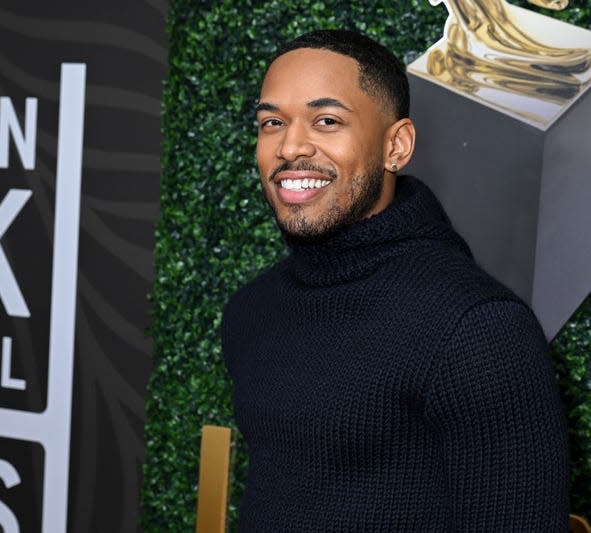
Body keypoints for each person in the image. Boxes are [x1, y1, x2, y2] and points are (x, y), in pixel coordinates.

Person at [221, 29, 570, 532]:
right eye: (272, 122)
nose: (290, 146)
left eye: (327, 121)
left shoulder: (478, 329)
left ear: (396, 146)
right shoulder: (251, 313)